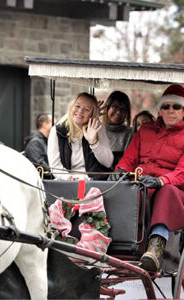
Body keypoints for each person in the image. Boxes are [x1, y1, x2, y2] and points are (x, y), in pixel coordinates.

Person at [109, 84, 184, 272]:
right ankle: (109, 240)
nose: (170, 110)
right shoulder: (145, 130)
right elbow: (128, 159)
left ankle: (155, 247)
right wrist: (120, 171)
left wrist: (161, 181)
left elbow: (182, 172)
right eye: (166, 106)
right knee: (121, 187)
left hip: (173, 192)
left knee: (166, 192)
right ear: (160, 109)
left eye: (176, 106)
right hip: (142, 185)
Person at [47, 92, 113, 181]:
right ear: (71, 107)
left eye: (87, 109)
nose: (80, 111)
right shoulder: (57, 131)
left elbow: (108, 163)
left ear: (92, 114)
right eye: (77, 106)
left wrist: (93, 142)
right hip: (66, 182)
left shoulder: (97, 127)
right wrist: (69, 177)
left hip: (93, 182)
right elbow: (55, 166)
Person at [102, 91, 133, 168]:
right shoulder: (97, 129)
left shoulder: (131, 133)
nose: (119, 112)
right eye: (115, 107)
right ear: (107, 107)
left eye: (123, 109)